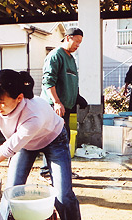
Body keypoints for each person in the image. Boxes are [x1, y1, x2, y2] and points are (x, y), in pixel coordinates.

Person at [0, 69, 81, 220]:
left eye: (1, 104)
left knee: (63, 195)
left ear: (19, 98)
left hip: (54, 138)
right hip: (23, 144)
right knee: (11, 191)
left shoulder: (34, 114)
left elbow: (6, 149)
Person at [40, 27, 86, 177]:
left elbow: (71, 80)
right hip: (54, 107)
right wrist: (56, 102)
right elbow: (48, 81)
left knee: (61, 140)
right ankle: (48, 171)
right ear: (68, 38)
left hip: (65, 107)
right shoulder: (55, 56)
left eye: (80, 43)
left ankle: (59, 171)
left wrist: (77, 97)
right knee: (54, 140)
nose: (78, 45)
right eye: (76, 41)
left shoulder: (71, 59)